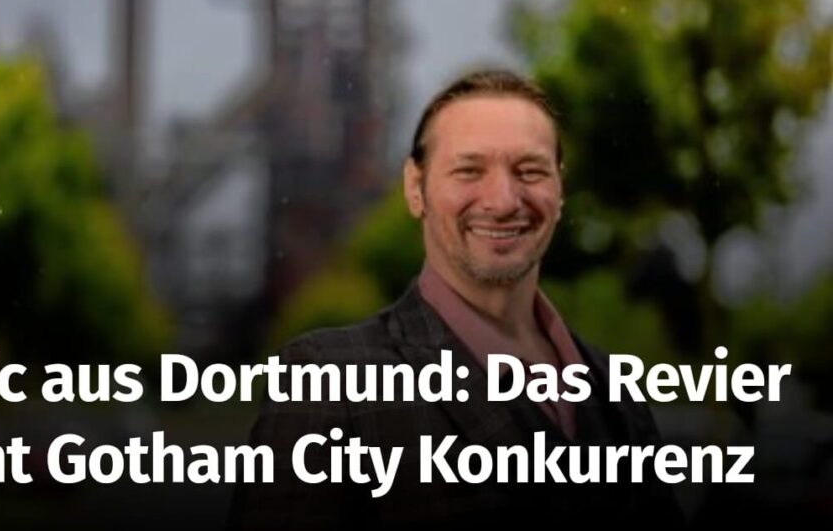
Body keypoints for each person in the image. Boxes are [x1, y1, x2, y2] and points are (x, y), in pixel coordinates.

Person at [228, 69, 685, 528]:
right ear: (415, 188)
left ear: (559, 190)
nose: (504, 200)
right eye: (469, 170)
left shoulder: (614, 390)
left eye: (530, 171)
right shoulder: (330, 381)